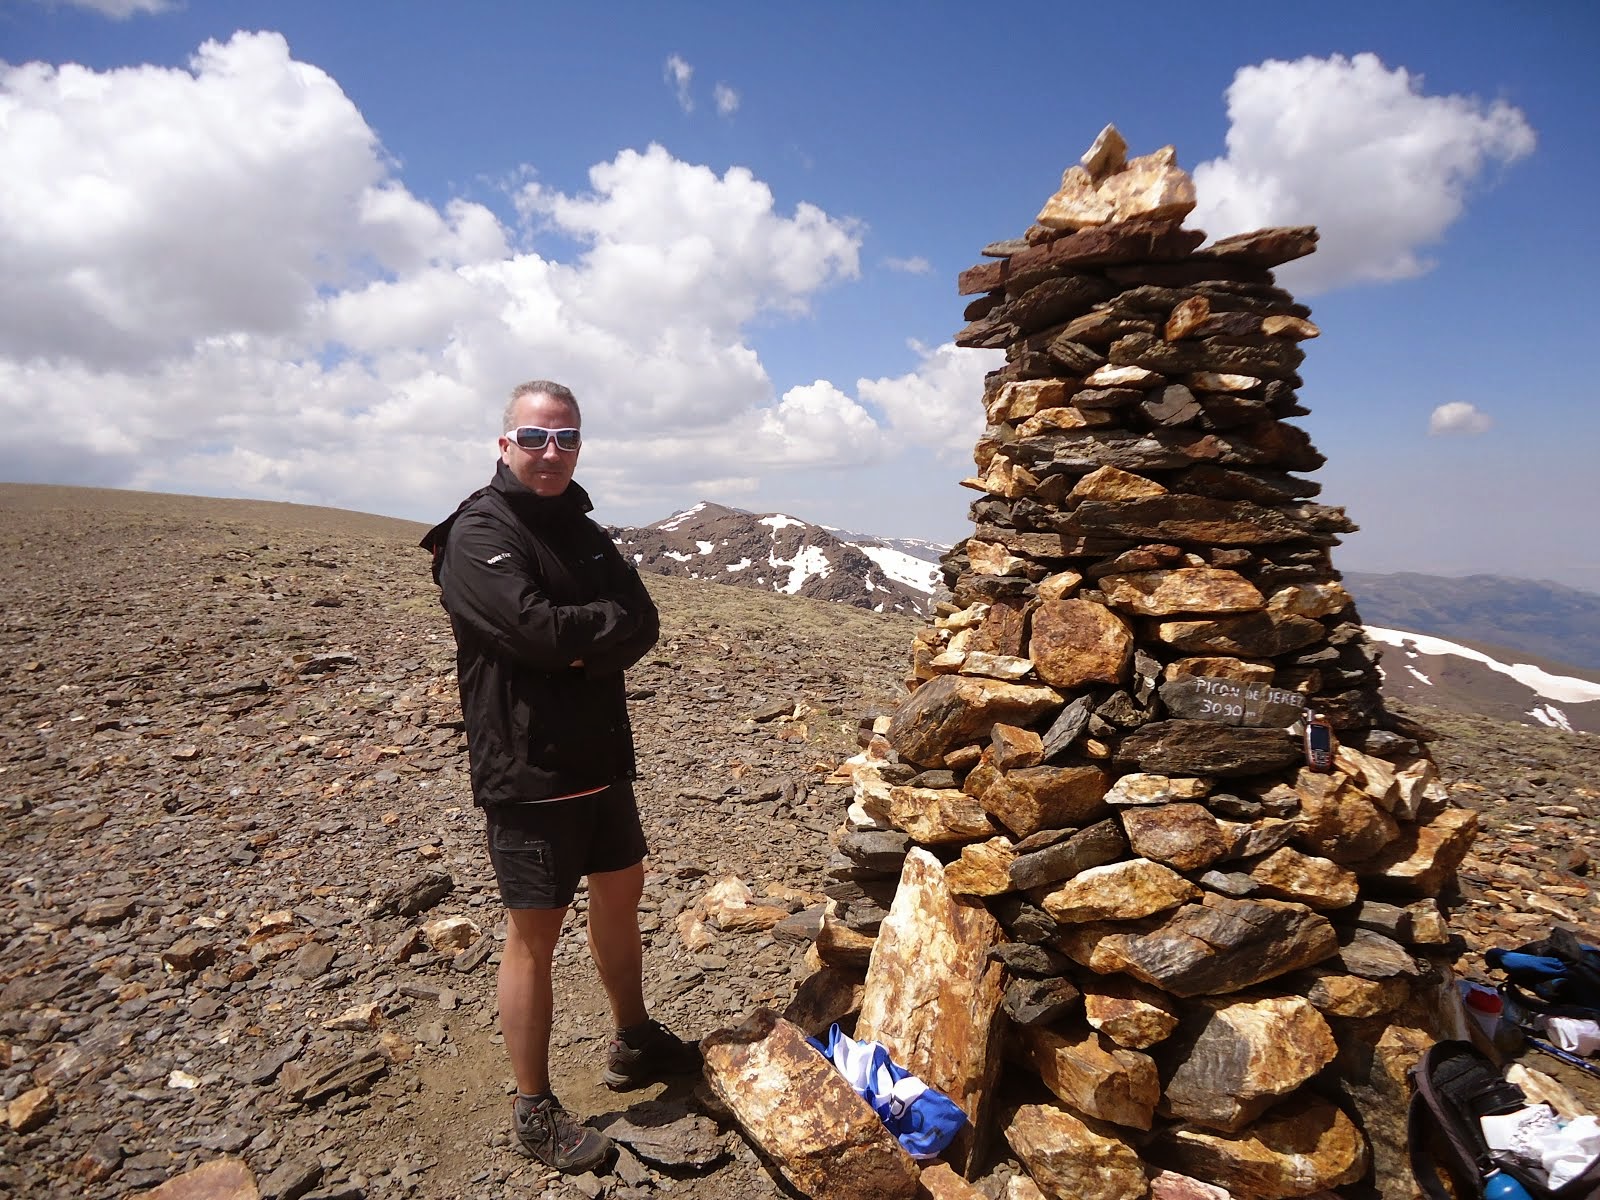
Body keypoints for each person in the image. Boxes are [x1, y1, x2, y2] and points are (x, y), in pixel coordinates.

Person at [421, 380, 700, 1173]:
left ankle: (634, 1036)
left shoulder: (578, 526)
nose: (552, 452)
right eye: (536, 438)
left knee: (622, 892)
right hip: (529, 768)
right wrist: (584, 636)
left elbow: (641, 618)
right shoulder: (479, 531)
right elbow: (530, 631)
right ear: (504, 443)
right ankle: (533, 1108)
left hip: (600, 759)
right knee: (532, 937)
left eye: (566, 438)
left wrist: (580, 640)